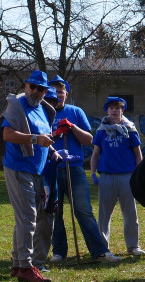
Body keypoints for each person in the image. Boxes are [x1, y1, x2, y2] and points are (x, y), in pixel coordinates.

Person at [48, 76, 120, 264]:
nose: (58, 96)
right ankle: (59, 251)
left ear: (66, 94)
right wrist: (56, 134)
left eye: (61, 93)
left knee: (83, 210)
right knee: (55, 213)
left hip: (75, 169)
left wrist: (72, 128)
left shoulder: (75, 111)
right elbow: (40, 140)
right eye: (54, 92)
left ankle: (99, 252)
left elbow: (89, 140)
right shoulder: (43, 112)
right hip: (51, 170)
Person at [0, 70, 55, 282]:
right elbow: (7, 134)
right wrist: (35, 139)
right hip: (19, 168)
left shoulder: (42, 109)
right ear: (26, 86)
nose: (36, 92)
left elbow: (43, 138)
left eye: (41, 89)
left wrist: (51, 149)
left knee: (24, 218)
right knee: (28, 218)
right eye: (33, 87)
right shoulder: (17, 105)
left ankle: (17, 264)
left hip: (36, 170)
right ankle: (25, 266)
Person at [91, 96, 145, 257]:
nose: (114, 110)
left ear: (123, 110)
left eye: (118, 107)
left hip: (127, 177)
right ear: (107, 111)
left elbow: (137, 153)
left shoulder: (130, 129)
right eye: (111, 107)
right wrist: (93, 173)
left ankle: (133, 246)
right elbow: (95, 154)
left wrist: (139, 174)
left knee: (130, 214)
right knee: (104, 215)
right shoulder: (101, 131)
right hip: (107, 177)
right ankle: (103, 247)